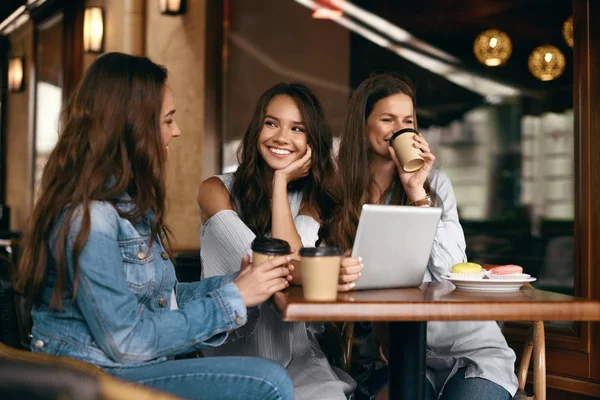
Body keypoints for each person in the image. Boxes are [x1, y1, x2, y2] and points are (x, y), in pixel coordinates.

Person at [16, 52, 294, 400]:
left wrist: (237, 284)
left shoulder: (128, 204)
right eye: (168, 120)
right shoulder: (90, 218)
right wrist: (234, 298)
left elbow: (165, 300)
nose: (176, 131)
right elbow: (125, 342)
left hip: (130, 366)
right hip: (95, 377)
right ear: (133, 127)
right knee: (268, 381)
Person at [330, 73, 519, 400]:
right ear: (362, 126)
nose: (398, 129)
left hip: (468, 349)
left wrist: (417, 191)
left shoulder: (436, 185)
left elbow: (452, 268)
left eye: (407, 121)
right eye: (387, 119)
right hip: (397, 352)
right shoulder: (339, 194)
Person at [198, 82, 358, 400]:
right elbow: (268, 267)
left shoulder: (311, 201)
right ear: (257, 127)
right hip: (233, 351)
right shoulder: (215, 190)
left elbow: (292, 255)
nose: (281, 137)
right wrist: (325, 273)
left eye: (297, 128)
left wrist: (280, 183)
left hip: (297, 355)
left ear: (312, 141)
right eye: (271, 123)